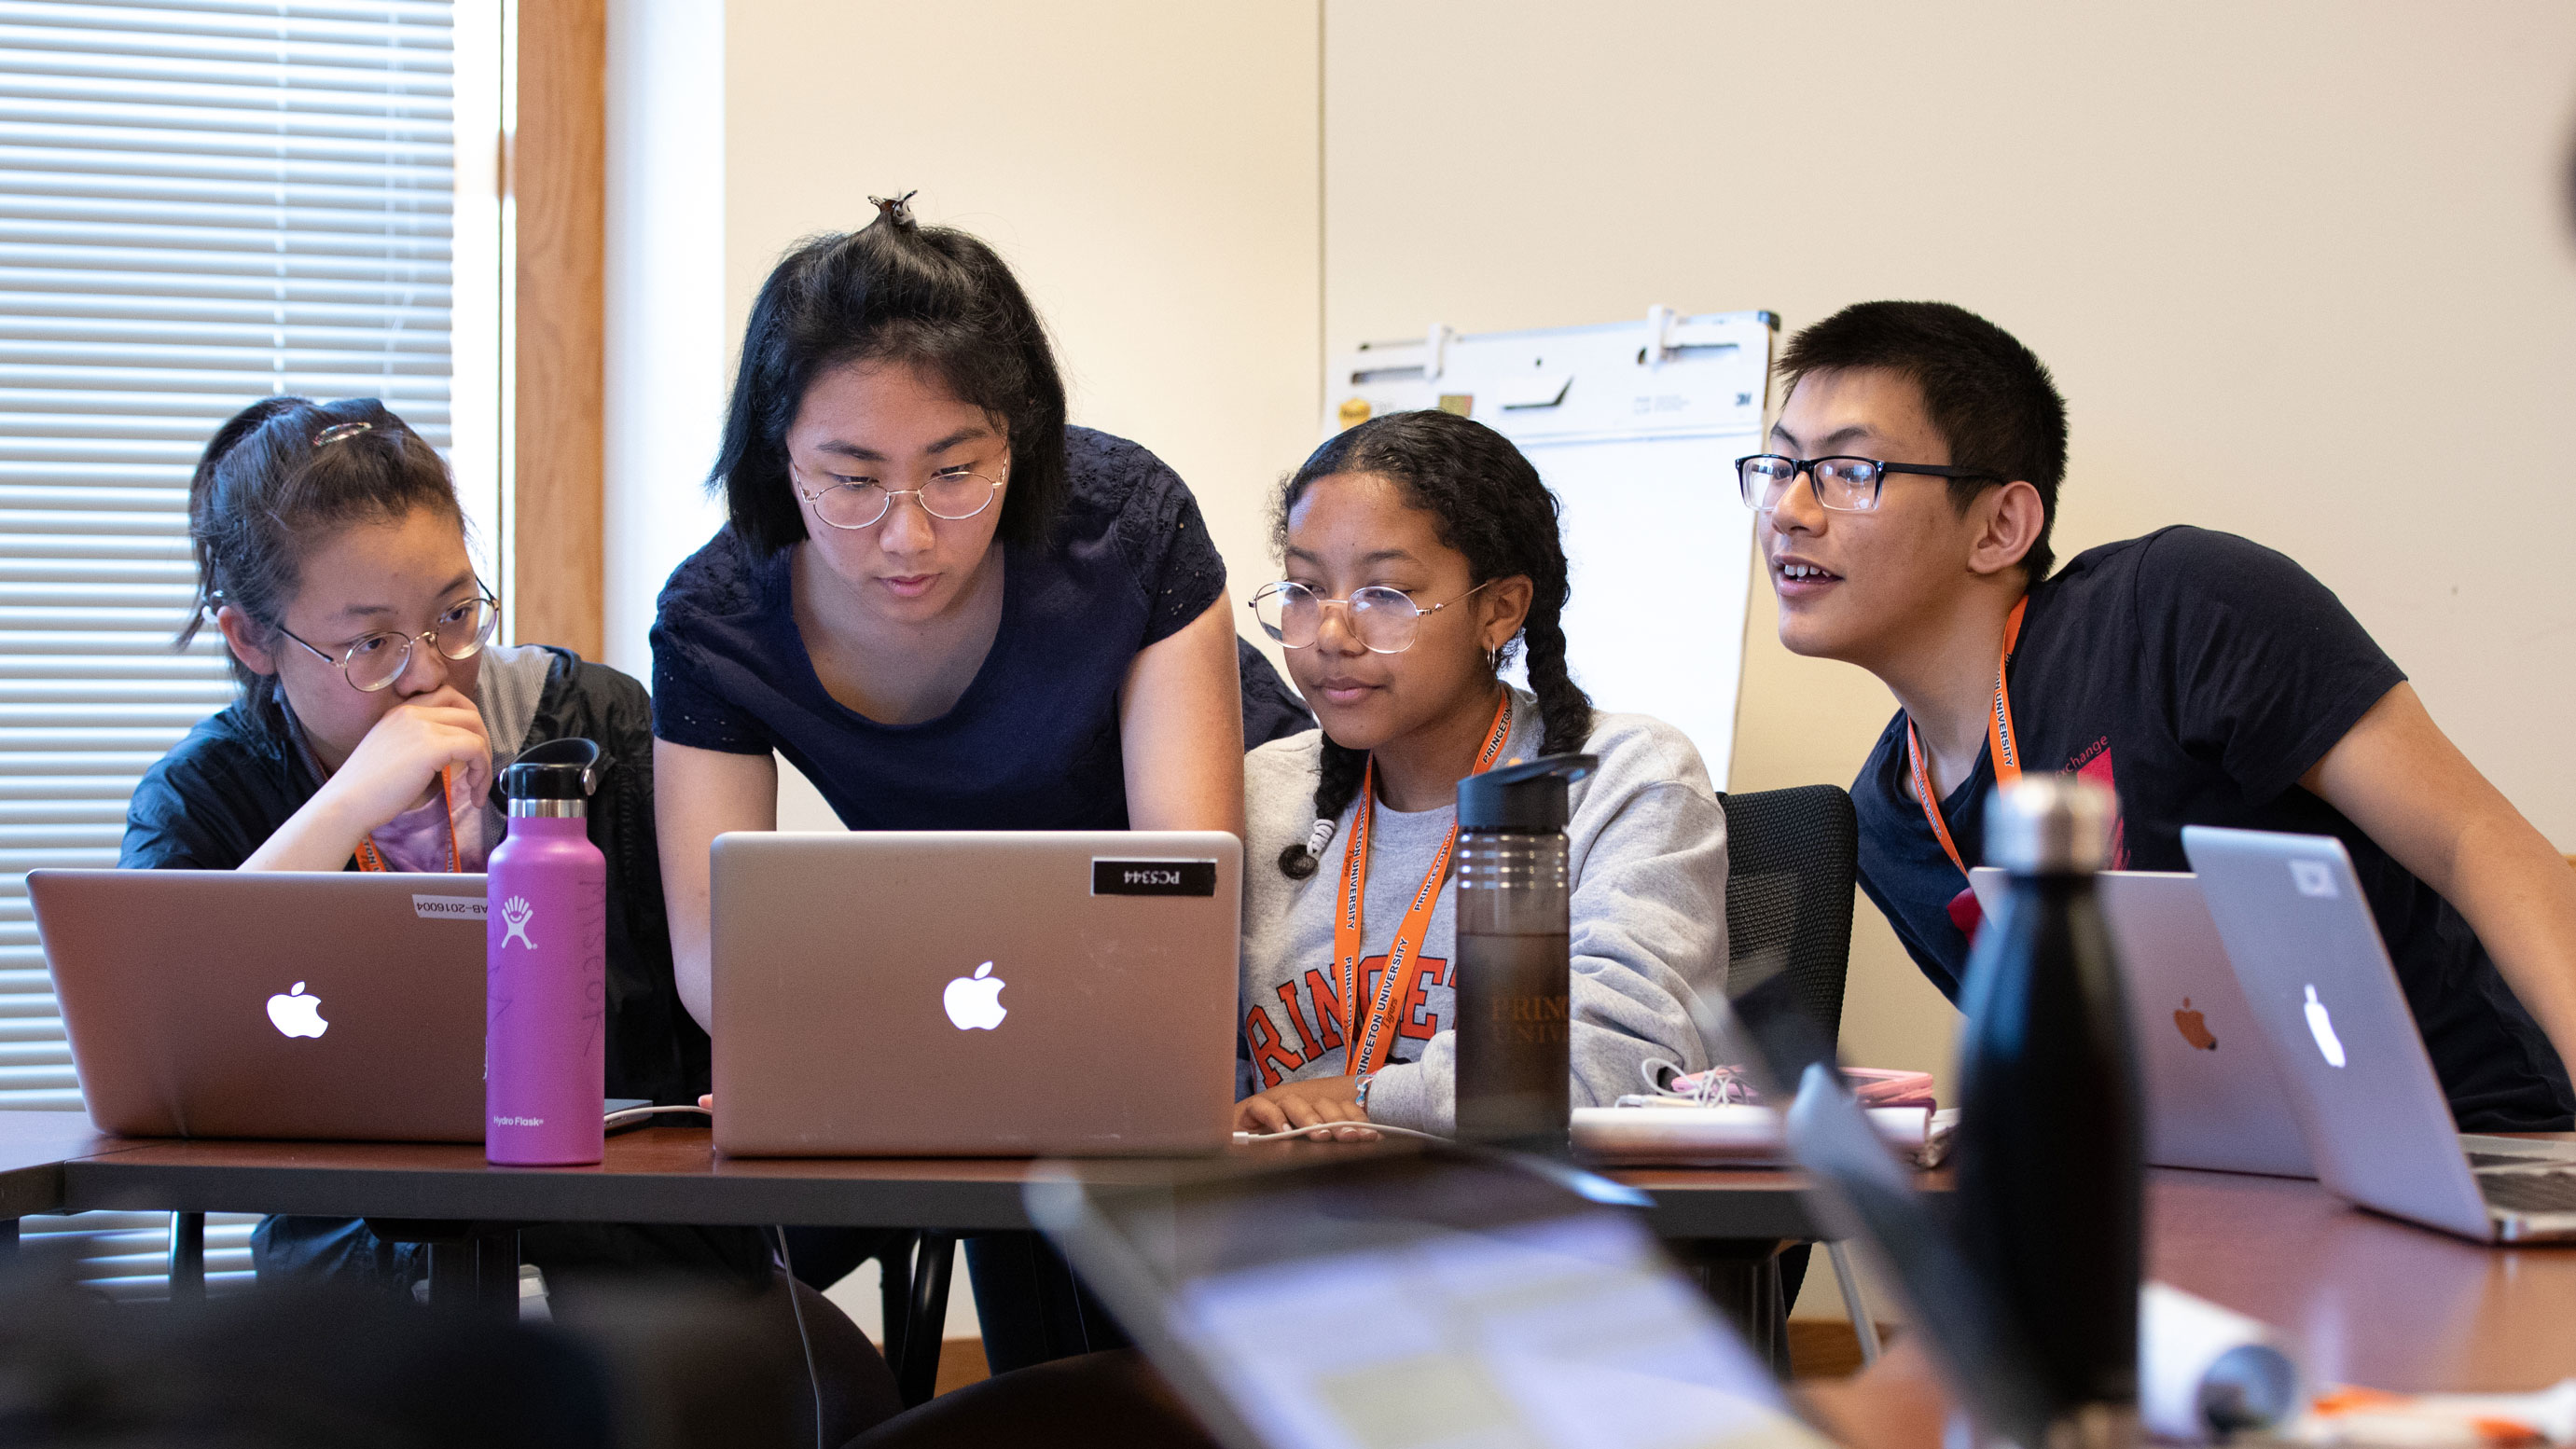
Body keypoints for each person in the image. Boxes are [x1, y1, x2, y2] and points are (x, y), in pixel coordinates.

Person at [122, 396, 903, 1440]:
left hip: (634, 1252)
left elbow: (731, 987)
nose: (432, 671)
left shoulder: (602, 728)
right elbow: (161, 1047)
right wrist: (351, 799)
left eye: (454, 613)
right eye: (369, 644)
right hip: (360, 1272)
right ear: (252, 640)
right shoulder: (203, 797)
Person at [648, 195, 1244, 1371]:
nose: (907, 535)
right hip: (979, 1000)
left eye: (955, 471)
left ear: (1018, 439)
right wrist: (840, 1050)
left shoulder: (1123, 529)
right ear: (780, 455)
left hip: (1190, 979)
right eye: (850, 479)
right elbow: (718, 961)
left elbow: (1190, 898)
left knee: (1142, 1315)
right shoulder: (718, 617)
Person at [1751, 300, 2576, 1131]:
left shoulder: (2176, 610)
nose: (1790, 508)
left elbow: (2477, 843)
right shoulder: (1890, 825)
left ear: (2001, 525)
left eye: (1851, 472)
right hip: (2223, 1193)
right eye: (1780, 468)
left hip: (2481, 1139)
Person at [1233, 408, 1729, 1140]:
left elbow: (1615, 1066)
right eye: (1304, 591)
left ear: (1499, 611)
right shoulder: (1253, 794)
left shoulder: (1622, 781)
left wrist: (1364, 1100)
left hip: (1524, 1232)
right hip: (1278, 1229)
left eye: (1385, 595)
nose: (1331, 635)